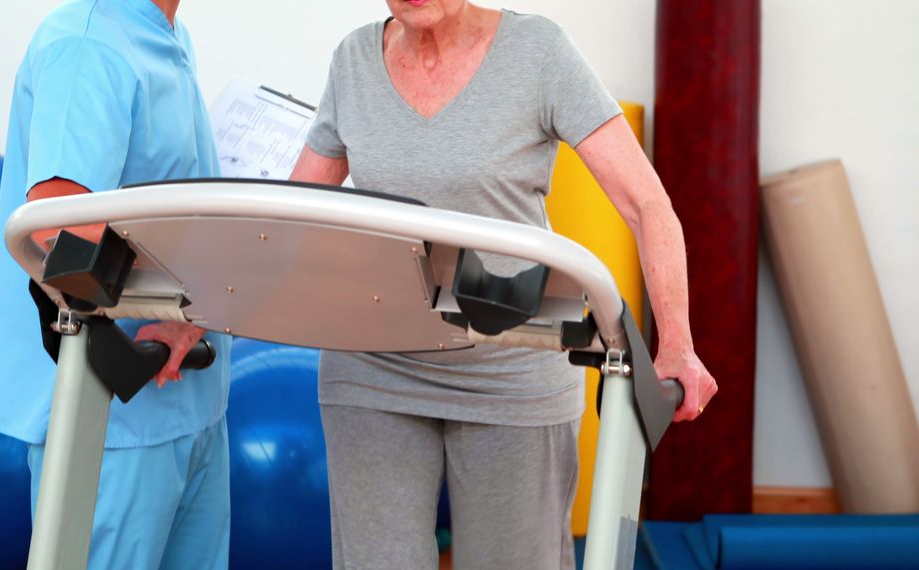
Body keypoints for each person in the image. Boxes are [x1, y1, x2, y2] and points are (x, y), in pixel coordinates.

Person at [289, 2, 718, 569]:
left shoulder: (538, 52)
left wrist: (678, 343)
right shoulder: (353, 61)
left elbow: (647, 205)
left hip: (512, 365)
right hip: (377, 366)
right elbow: (295, 215)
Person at [0, 1, 231, 568]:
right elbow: (61, 234)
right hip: (112, 413)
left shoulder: (165, 32)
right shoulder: (89, 43)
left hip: (191, 398)